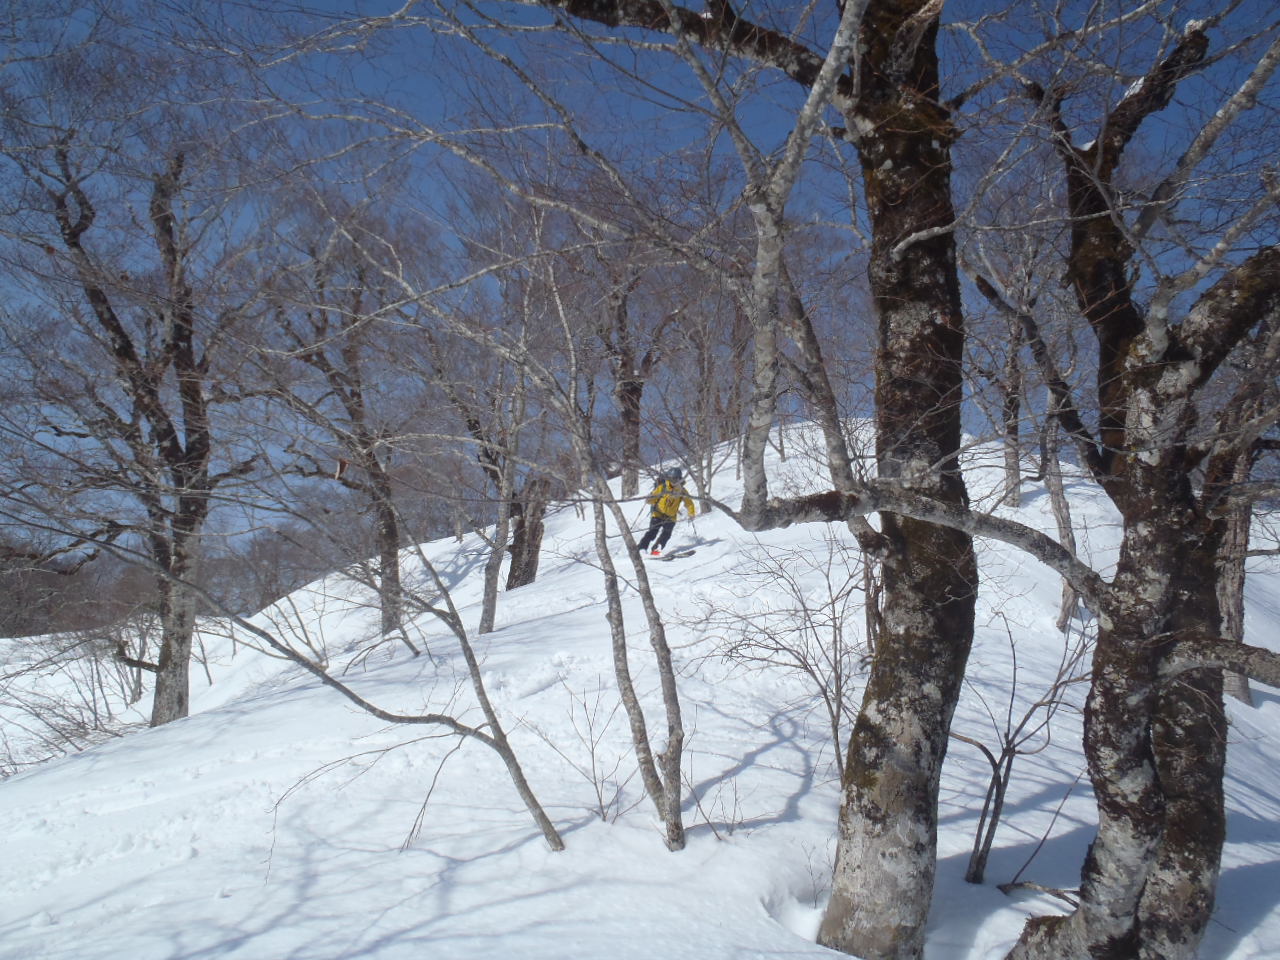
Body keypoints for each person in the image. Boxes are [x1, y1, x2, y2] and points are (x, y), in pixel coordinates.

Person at [637, 467, 695, 556]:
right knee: (652, 533)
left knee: (666, 535)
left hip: (671, 517)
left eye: (676, 478)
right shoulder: (662, 487)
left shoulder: (682, 490)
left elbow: (689, 503)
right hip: (658, 514)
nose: (674, 481)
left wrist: (691, 513)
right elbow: (653, 498)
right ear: (668, 478)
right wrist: (649, 499)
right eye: (672, 478)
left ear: (680, 479)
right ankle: (641, 549)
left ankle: (655, 552)